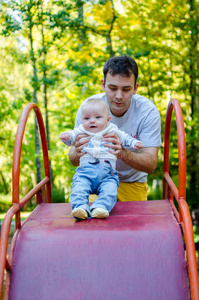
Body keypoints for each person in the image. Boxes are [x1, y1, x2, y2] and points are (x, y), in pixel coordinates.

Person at [68, 55, 162, 202]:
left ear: (135, 88)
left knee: (133, 225)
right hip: (95, 181)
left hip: (132, 183)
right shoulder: (89, 108)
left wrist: (121, 153)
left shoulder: (147, 111)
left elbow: (151, 165)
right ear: (103, 84)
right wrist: (77, 151)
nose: (119, 96)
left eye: (126, 89)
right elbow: (73, 160)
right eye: (112, 88)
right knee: (87, 218)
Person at [60, 98, 144, 219]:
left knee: (110, 190)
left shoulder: (112, 129)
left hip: (107, 173)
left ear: (107, 120)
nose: (92, 121)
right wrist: (67, 137)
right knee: (79, 188)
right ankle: (80, 207)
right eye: (87, 118)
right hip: (85, 173)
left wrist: (134, 143)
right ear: (81, 120)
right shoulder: (81, 130)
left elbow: (125, 138)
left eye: (98, 117)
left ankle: (100, 207)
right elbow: (71, 138)